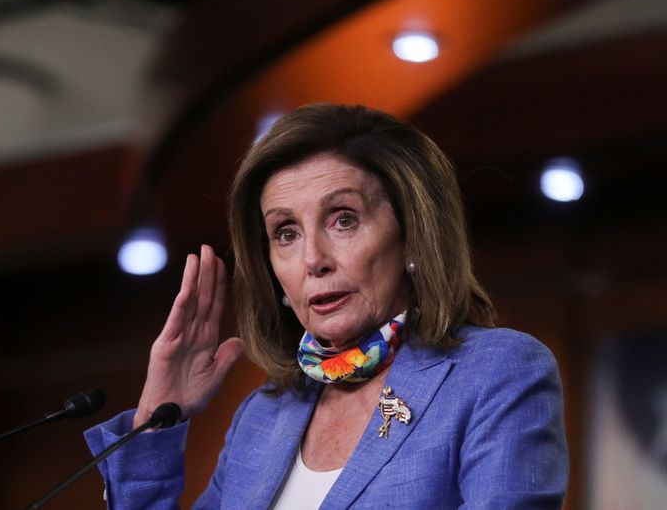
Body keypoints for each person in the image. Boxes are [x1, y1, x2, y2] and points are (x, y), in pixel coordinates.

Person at [85, 103, 568, 508]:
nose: (313, 259)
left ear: (414, 236)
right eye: (286, 233)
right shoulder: (263, 417)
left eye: (343, 220)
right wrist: (155, 418)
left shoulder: (496, 372)